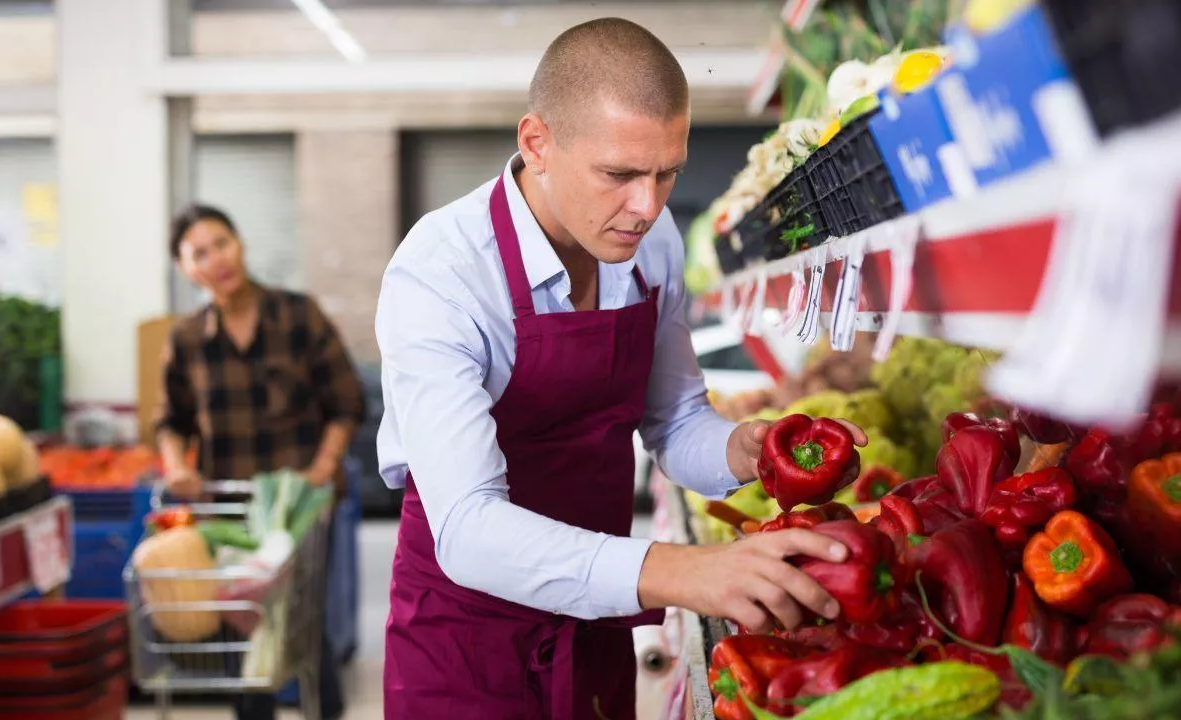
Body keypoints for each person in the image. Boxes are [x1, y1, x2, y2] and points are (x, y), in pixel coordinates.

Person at [375, 18, 867, 719]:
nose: (648, 206)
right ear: (537, 144)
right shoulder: (442, 273)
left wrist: (742, 449)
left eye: (669, 172)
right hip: (464, 638)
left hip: (597, 610)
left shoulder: (650, 241)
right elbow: (469, 529)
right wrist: (683, 571)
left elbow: (673, 423)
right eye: (620, 175)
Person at [155, 203, 364, 720]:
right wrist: (177, 466)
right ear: (185, 269)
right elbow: (169, 421)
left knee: (303, 623)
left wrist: (322, 468)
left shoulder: (299, 315)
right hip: (231, 515)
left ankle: (324, 707)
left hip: (301, 510)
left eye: (221, 243)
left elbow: (346, 402)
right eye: (199, 253)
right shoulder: (185, 341)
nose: (215, 259)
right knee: (243, 636)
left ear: (240, 244)